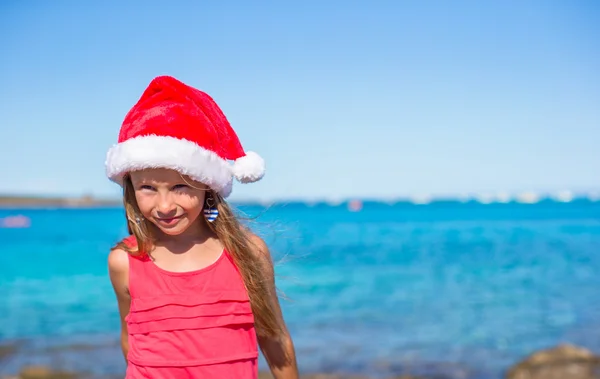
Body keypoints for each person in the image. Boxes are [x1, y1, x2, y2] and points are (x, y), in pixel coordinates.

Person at [105, 75, 299, 379]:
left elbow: (275, 339)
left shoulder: (247, 253)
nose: (165, 205)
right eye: (148, 188)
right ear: (130, 188)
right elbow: (132, 343)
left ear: (208, 186)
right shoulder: (125, 261)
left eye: (181, 186)